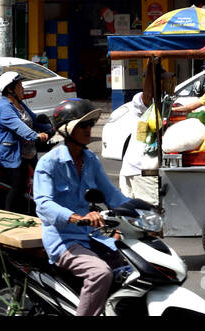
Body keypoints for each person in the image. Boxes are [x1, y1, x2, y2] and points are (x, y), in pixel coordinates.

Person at [33, 98, 137, 317]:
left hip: (93, 235)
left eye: (90, 124)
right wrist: (76, 218)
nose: (89, 129)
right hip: (63, 239)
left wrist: (140, 215)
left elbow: (112, 195)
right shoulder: (49, 163)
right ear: (67, 130)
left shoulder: (90, 159)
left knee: (133, 269)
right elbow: (43, 204)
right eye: (83, 125)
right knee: (100, 273)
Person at [0, 71, 50, 213]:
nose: (23, 89)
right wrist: (36, 135)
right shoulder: (4, 108)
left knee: (42, 178)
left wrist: (52, 127)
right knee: (18, 186)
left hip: (28, 152)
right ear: (10, 89)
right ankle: (8, 214)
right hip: (12, 154)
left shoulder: (20, 103)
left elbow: (34, 120)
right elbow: (20, 127)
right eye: (19, 86)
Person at [119, 65, 169, 204]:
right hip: (139, 168)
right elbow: (147, 94)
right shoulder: (141, 100)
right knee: (148, 215)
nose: (165, 83)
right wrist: (150, 63)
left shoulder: (161, 101)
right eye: (162, 80)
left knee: (131, 215)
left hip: (140, 167)